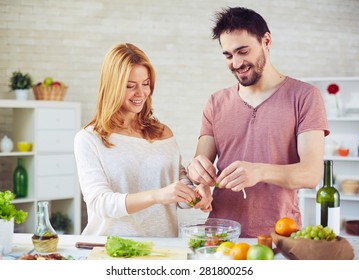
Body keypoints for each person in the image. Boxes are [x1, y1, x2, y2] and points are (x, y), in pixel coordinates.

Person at [187, 7, 329, 237]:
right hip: (220, 233)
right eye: (228, 55)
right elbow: (200, 166)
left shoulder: (304, 96)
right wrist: (198, 178)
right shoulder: (216, 102)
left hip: (281, 234)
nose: (236, 62)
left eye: (243, 51)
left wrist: (259, 172)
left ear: (266, 41)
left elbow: (311, 174)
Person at [74, 43, 211, 237]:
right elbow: (99, 203)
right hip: (109, 249)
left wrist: (196, 194)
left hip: (163, 248)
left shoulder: (163, 133)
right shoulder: (89, 139)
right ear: (112, 86)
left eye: (145, 83)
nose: (141, 93)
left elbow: (177, 184)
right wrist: (157, 196)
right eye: (130, 86)